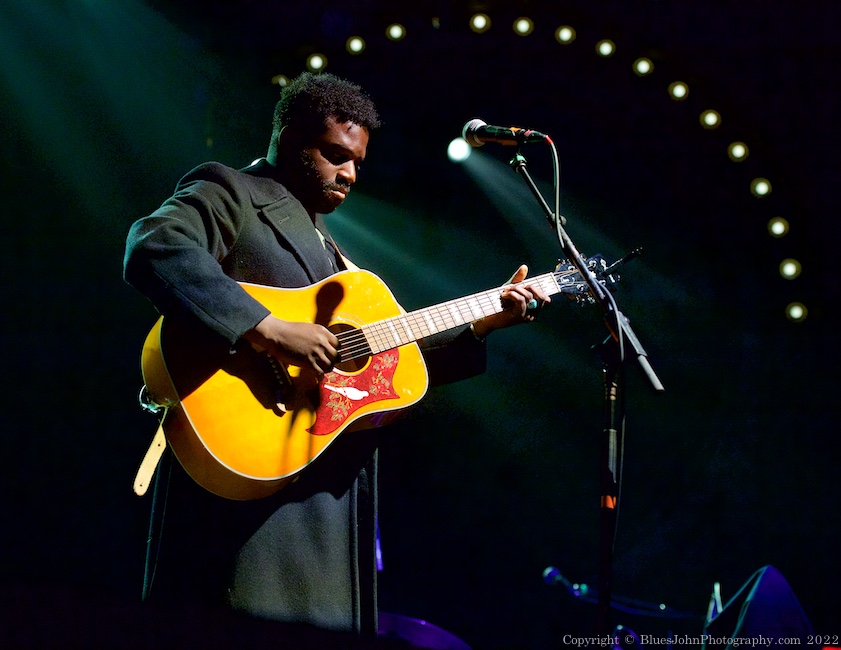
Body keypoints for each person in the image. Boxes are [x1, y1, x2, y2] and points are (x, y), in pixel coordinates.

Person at [123, 71, 548, 643]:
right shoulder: (232, 192)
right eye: (334, 155)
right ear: (289, 138)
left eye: (357, 162)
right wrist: (267, 328)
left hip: (324, 486)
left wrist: (481, 323)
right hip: (249, 479)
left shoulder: (333, 249)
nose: (349, 174)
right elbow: (154, 245)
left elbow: (382, 366)